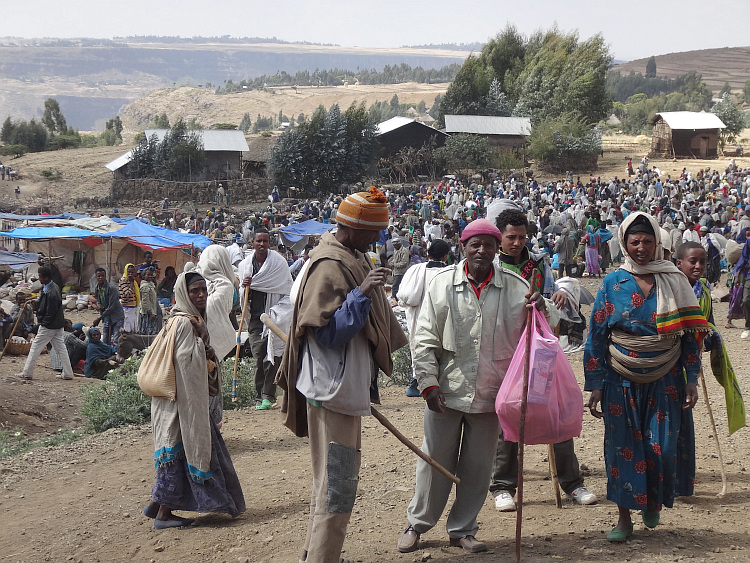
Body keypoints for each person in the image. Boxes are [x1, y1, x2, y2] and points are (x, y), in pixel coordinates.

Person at [397, 219, 558, 554]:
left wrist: (545, 309)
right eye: (475, 244)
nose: (482, 250)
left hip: (492, 392)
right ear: (462, 246)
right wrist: (427, 381)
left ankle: (463, 529)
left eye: (489, 244)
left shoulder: (517, 287)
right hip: (446, 391)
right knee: (434, 461)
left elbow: (545, 331)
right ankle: (418, 523)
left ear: (496, 248)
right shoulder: (441, 285)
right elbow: (424, 338)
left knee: (478, 467)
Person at [277, 187, 408, 563]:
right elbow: (328, 333)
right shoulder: (329, 266)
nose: (377, 239)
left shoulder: (350, 256)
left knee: (331, 479)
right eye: (372, 232)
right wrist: (362, 294)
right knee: (337, 482)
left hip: (341, 388)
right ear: (351, 228)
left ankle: (314, 554)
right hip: (331, 389)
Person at [584, 212, 709, 542]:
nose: (641, 247)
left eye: (647, 241)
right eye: (634, 241)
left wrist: (692, 377)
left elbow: (690, 334)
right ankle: (624, 518)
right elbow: (596, 333)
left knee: (662, 447)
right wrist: (595, 384)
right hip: (619, 378)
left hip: (665, 377)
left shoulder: (674, 279)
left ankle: (652, 501)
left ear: (657, 243)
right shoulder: (613, 283)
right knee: (622, 449)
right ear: (625, 244)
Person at [491, 210, 597, 511]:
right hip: (504, 351)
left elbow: (553, 306)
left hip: (539, 352)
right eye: (511, 237)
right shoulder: (493, 266)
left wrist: (553, 299)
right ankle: (502, 485)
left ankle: (573, 483)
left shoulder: (538, 263)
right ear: (500, 236)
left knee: (555, 411)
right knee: (509, 414)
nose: (516, 242)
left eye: (521, 237)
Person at [143, 272, 245, 529]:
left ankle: (157, 504)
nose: (200, 296)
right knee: (181, 453)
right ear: (183, 294)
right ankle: (163, 514)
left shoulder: (183, 320)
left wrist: (205, 343)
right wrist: (204, 343)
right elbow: (187, 365)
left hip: (179, 401)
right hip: (182, 404)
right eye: (194, 291)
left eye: (203, 290)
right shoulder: (186, 324)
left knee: (179, 452)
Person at [674, 242, 745, 434]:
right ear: (679, 263)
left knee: (688, 396)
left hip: (695, 352)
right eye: (693, 261)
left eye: (702, 262)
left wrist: (707, 339)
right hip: (672, 355)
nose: (698, 266)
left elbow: (709, 320)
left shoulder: (704, 287)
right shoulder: (672, 289)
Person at [237, 229, 293, 410]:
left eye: (265, 241)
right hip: (255, 318)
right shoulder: (245, 265)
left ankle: (268, 395)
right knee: (259, 354)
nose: (262, 244)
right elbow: (243, 294)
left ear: (270, 243)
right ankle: (258, 395)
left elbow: (287, 290)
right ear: (252, 243)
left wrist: (278, 313)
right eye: (258, 241)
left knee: (273, 357)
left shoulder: (279, 263)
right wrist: (244, 287)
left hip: (274, 316)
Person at [396, 239, 450, 397]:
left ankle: (416, 382)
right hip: (442, 318)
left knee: (419, 347)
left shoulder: (416, 270)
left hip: (418, 317)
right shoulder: (451, 272)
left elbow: (406, 297)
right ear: (445, 256)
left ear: (428, 254)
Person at [10, 266, 74, 381]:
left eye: (40, 276)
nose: (39, 279)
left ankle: (27, 373)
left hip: (49, 325)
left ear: (46, 277)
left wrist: (43, 323)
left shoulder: (52, 291)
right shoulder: (51, 287)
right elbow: (48, 306)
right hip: (57, 324)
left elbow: (51, 311)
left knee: (35, 347)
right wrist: (38, 304)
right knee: (61, 349)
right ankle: (68, 373)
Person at [92, 267, 125, 350]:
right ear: (96, 277)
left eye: (102, 276)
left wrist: (99, 318)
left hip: (116, 316)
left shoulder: (111, 288)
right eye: (99, 276)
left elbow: (111, 307)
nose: (100, 278)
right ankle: (107, 356)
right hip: (106, 317)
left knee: (116, 340)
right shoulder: (97, 288)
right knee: (106, 339)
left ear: (105, 276)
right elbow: (98, 300)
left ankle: (116, 357)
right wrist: (99, 305)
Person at [137, 268, 160, 335]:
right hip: (147, 313)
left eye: (151, 275)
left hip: (151, 311)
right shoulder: (145, 287)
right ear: (144, 276)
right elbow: (145, 302)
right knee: (147, 332)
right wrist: (150, 313)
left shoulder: (150, 284)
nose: (150, 276)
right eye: (148, 274)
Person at [119, 264, 140, 333]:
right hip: (126, 308)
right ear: (125, 271)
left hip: (132, 307)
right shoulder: (123, 280)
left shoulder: (133, 281)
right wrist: (131, 283)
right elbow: (127, 294)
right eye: (129, 272)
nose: (130, 274)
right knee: (127, 328)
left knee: (133, 326)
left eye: (132, 272)